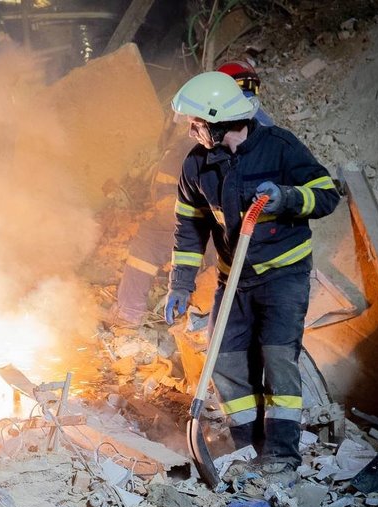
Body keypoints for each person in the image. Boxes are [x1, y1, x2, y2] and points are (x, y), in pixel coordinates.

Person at [164, 71, 340, 476]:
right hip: (234, 278)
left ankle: (280, 454)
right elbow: (189, 230)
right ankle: (247, 445)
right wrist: (180, 283)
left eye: (196, 123)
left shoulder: (280, 147)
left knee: (278, 360)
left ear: (219, 120)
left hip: (284, 274)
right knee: (225, 359)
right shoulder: (197, 165)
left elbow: (327, 194)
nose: (192, 130)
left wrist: (288, 198)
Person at [111, 64, 278, 326]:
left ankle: (130, 313)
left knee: (149, 239)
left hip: (235, 237)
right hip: (250, 237)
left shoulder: (201, 143)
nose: (190, 129)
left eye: (195, 124)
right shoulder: (263, 129)